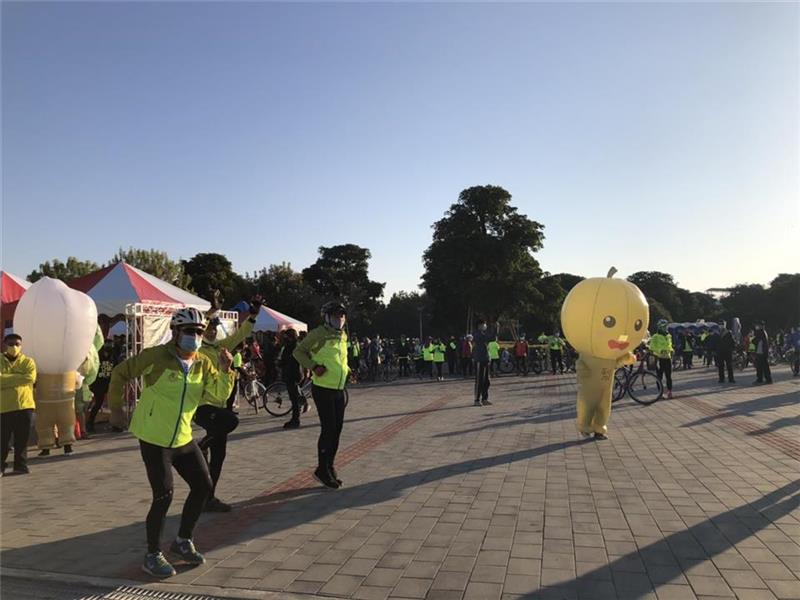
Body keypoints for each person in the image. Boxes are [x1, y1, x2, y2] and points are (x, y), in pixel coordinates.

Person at [108, 307, 234, 577]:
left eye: (199, 332)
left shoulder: (203, 362)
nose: (196, 336)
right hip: (154, 438)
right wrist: (116, 410)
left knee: (203, 486)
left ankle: (182, 541)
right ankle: (152, 554)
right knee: (164, 495)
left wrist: (226, 370)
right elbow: (119, 374)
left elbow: (219, 394)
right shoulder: (156, 357)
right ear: (175, 332)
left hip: (183, 437)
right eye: (190, 331)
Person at [193, 300, 259, 512]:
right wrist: (211, 312)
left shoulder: (222, 348)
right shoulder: (196, 348)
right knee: (232, 421)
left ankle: (207, 498)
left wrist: (253, 315)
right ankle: (200, 445)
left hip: (219, 404)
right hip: (202, 405)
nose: (212, 332)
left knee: (219, 456)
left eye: (214, 329)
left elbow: (240, 335)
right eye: (208, 329)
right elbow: (196, 324)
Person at [293, 301, 350, 490]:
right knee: (329, 429)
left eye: (342, 315)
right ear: (326, 317)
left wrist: (348, 370)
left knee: (337, 430)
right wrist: (313, 367)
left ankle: (329, 466)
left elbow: (339, 358)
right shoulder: (318, 334)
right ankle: (321, 469)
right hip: (323, 388)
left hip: (339, 388)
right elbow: (298, 352)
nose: (339, 319)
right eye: (335, 315)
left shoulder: (342, 335)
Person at [1, 333, 37, 475]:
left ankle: (20, 466)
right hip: (4, 407)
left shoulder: (28, 362)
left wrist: (6, 379)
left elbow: (30, 378)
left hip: (25, 406)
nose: (14, 347)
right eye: (11, 344)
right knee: (2, 440)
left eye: (17, 344)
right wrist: (19, 378)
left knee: (22, 439)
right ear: (5, 344)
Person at [87, 339, 118, 433]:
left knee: (113, 404)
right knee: (98, 404)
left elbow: (116, 366)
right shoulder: (98, 355)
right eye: (108, 344)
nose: (109, 346)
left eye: (110, 344)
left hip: (109, 382)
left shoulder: (113, 355)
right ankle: (90, 423)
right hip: (98, 384)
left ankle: (116, 424)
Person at [280, 328, 305, 429]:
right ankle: (295, 418)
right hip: (294, 374)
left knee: (294, 398)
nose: (284, 338)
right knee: (294, 398)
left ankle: (296, 419)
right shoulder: (294, 346)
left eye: (286, 336)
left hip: (292, 374)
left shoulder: (291, 347)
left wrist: (280, 363)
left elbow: (287, 361)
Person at [472, 319, 499, 406]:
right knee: (479, 380)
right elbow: (490, 338)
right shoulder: (476, 334)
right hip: (479, 359)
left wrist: (495, 330)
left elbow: (492, 338)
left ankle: (484, 398)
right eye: (484, 324)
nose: (485, 326)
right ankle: (477, 399)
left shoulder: (483, 334)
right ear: (479, 325)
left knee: (486, 381)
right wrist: (495, 329)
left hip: (486, 359)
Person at [648, 320, 674, 399]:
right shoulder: (655, 336)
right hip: (659, 358)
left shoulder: (669, 335)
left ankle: (669, 391)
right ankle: (660, 393)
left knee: (668, 375)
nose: (665, 328)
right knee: (659, 376)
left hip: (667, 357)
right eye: (663, 326)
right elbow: (652, 347)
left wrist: (671, 350)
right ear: (659, 327)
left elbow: (669, 345)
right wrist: (660, 350)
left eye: (666, 326)